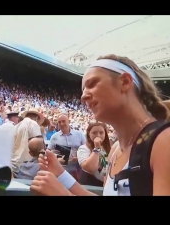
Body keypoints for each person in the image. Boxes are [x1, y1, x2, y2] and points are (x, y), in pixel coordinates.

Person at [31, 54, 170, 196]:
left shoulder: (164, 141)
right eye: (83, 90)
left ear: (125, 82)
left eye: (92, 84)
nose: (83, 96)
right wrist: (60, 173)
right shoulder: (115, 149)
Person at [77, 122, 111, 186]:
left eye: (101, 133)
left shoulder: (108, 148)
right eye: (94, 133)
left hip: (106, 183)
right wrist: (97, 148)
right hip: (90, 184)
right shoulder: (83, 148)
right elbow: (90, 167)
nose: (98, 135)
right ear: (89, 134)